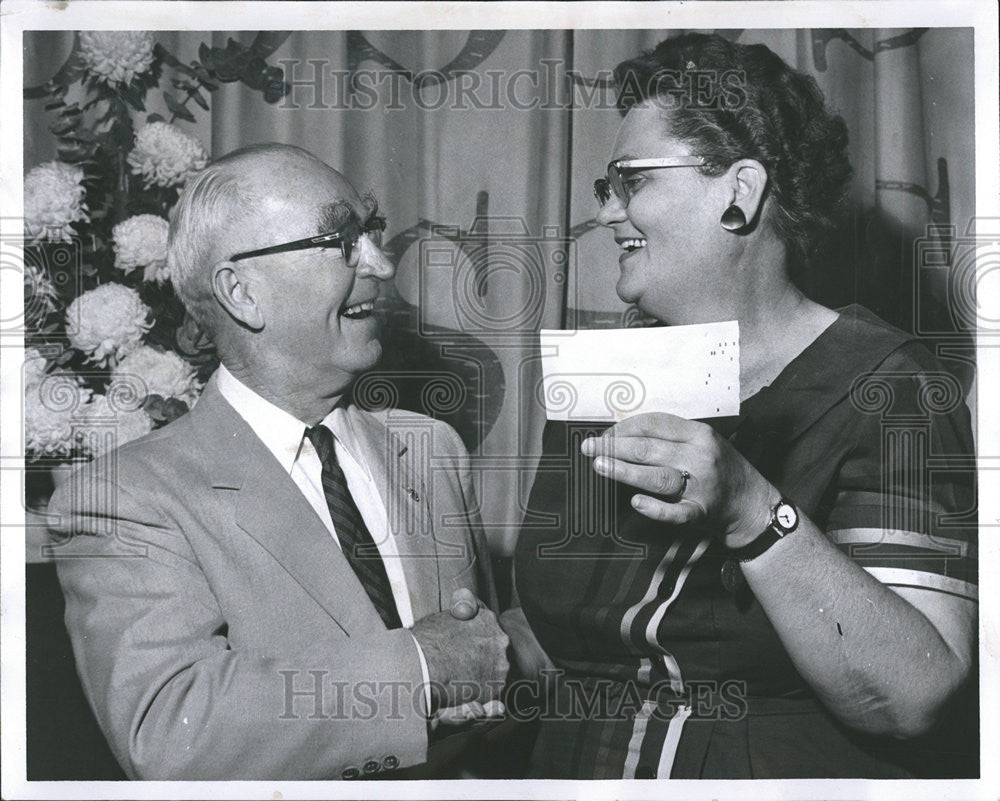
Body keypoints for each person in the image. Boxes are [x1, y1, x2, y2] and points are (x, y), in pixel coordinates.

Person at [507, 34, 977, 779]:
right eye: (608, 185)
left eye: (631, 181)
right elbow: (577, 643)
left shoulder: (892, 386)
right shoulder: (603, 379)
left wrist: (753, 510)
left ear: (740, 192)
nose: (606, 215)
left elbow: (912, 696)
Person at [48, 144, 509, 780]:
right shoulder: (124, 498)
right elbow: (170, 732)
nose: (380, 262)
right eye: (341, 239)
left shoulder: (432, 449)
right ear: (241, 292)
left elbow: (490, 656)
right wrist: (422, 670)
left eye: (371, 232)